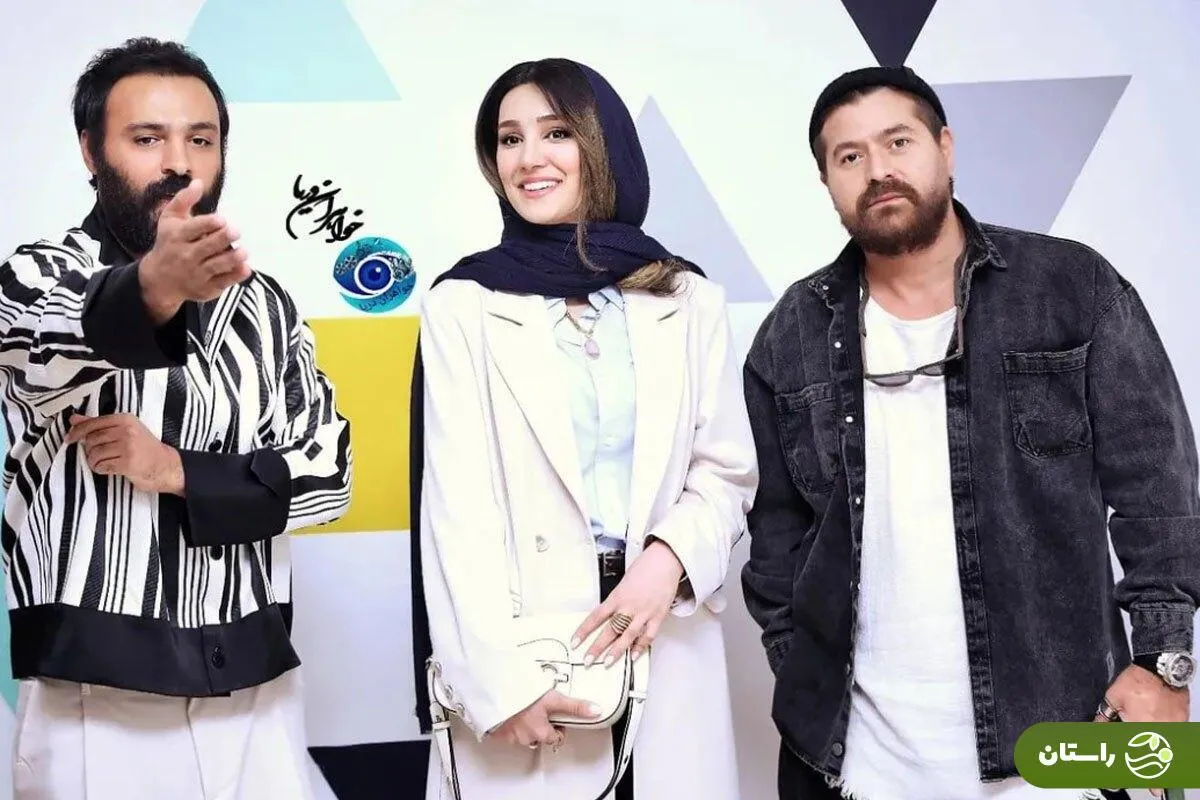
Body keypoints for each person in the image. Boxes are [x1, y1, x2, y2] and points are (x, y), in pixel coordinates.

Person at [741, 65, 1198, 800]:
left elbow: (1162, 491)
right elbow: (776, 535)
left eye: (898, 142)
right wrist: (796, 666)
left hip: (1066, 744)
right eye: (849, 156)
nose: (877, 170)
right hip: (852, 764)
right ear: (826, 181)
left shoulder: (1074, 288)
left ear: (945, 147)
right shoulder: (789, 332)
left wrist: (1164, 664)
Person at [0, 37, 352, 799]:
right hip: (95, 695)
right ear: (90, 152)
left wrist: (177, 470)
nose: (180, 164)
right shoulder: (36, 275)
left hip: (258, 689)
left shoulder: (267, 304)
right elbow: (47, 345)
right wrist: (153, 287)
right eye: (146, 138)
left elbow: (330, 474)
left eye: (201, 139)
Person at [408, 57, 758, 800]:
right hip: (530, 653)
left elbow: (725, 469)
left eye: (557, 133)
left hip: (665, 631)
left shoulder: (688, 297)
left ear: (604, 147)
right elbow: (455, 509)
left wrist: (668, 562)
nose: (528, 158)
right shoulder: (462, 303)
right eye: (509, 139)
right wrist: (500, 685)